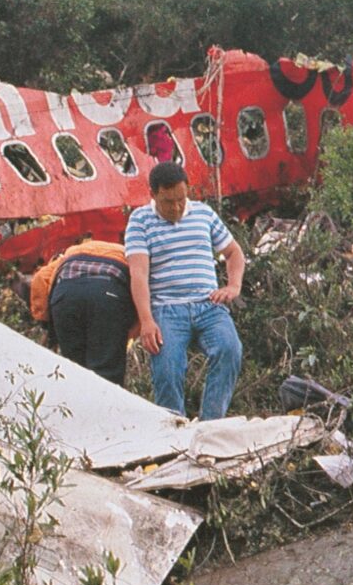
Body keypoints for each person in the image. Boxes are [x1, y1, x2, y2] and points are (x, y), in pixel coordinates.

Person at [125, 162, 244, 420]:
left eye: (181, 199)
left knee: (229, 348)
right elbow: (139, 273)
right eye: (169, 202)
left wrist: (233, 286)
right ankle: (173, 432)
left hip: (208, 304)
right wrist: (146, 321)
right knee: (167, 369)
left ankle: (211, 424)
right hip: (167, 309)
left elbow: (234, 252)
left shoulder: (204, 214)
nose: (177, 207)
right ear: (153, 195)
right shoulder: (140, 220)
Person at [29, 240, 136, 386]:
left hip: (66, 294)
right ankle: (104, 407)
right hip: (107, 293)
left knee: (74, 369)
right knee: (106, 373)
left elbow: (40, 279)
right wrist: (123, 337)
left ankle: (76, 406)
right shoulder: (131, 256)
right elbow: (143, 294)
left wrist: (45, 320)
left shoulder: (69, 253)